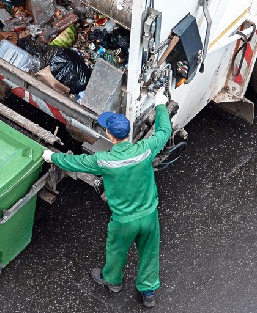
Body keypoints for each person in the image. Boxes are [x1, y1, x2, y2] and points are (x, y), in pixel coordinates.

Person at [43, 90, 171, 308]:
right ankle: (148, 292)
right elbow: (164, 130)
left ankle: (112, 282)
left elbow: (77, 163)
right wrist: (160, 106)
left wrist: (51, 156)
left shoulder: (104, 160)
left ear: (111, 136)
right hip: (149, 215)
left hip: (124, 220)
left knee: (116, 250)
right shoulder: (145, 150)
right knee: (150, 252)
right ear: (127, 134)